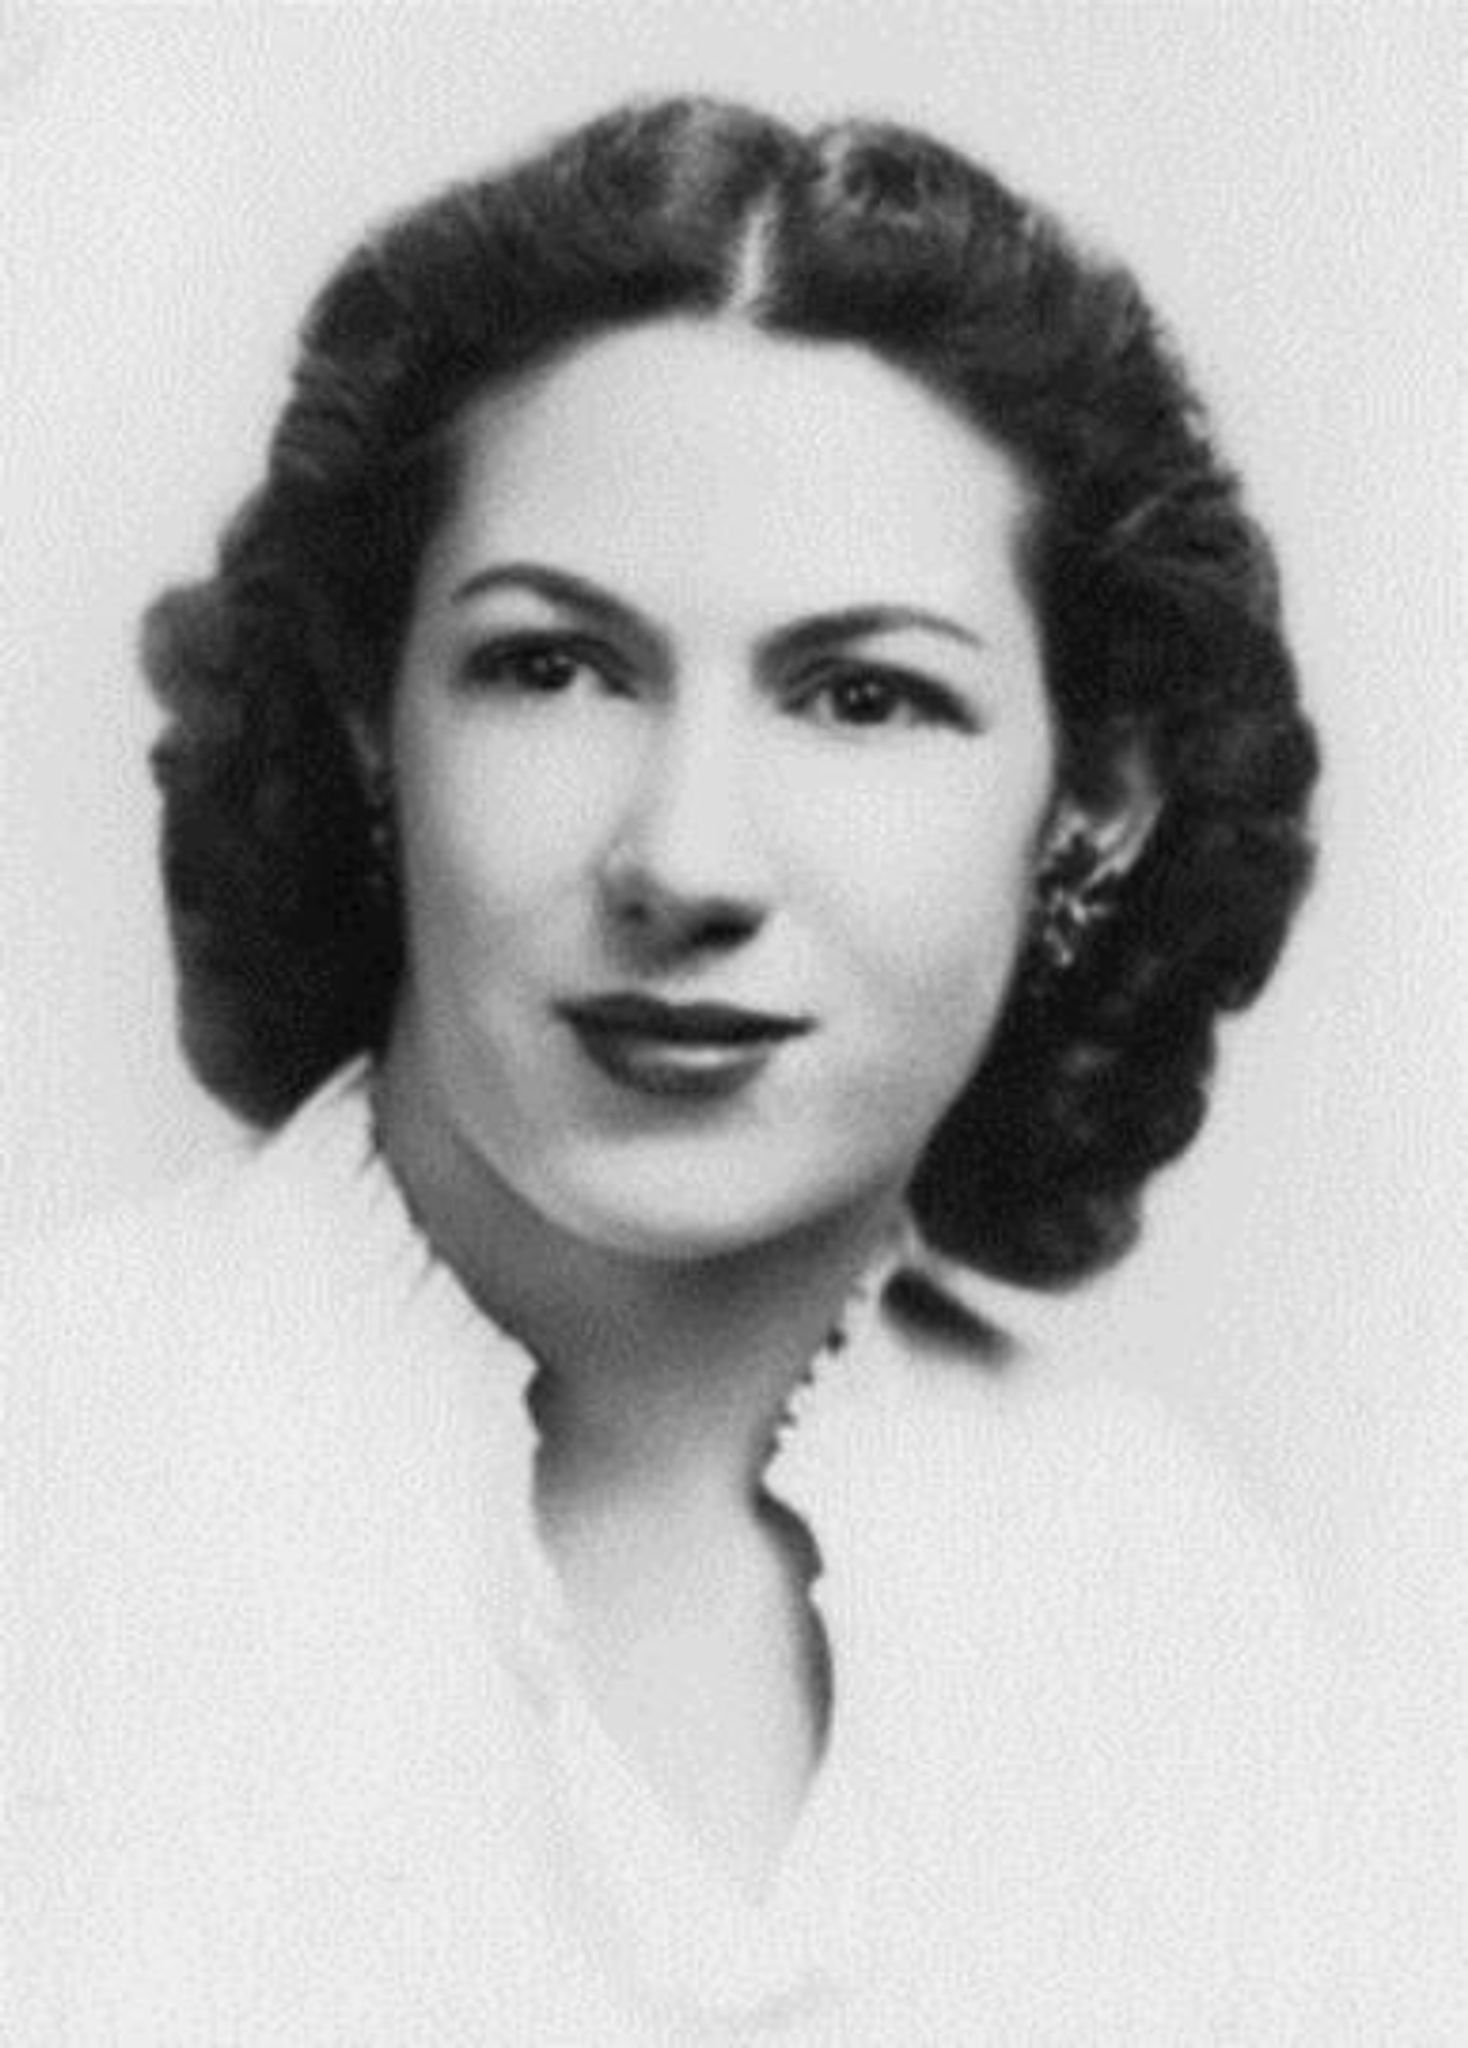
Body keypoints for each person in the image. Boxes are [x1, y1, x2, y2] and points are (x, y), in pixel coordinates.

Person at [5, 97, 1347, 2040]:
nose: (686, 859)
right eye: (551, 667)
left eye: (864, 696)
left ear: (1097, 803)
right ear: (372, 721)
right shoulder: (49, 1478)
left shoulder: (1164, 1606)